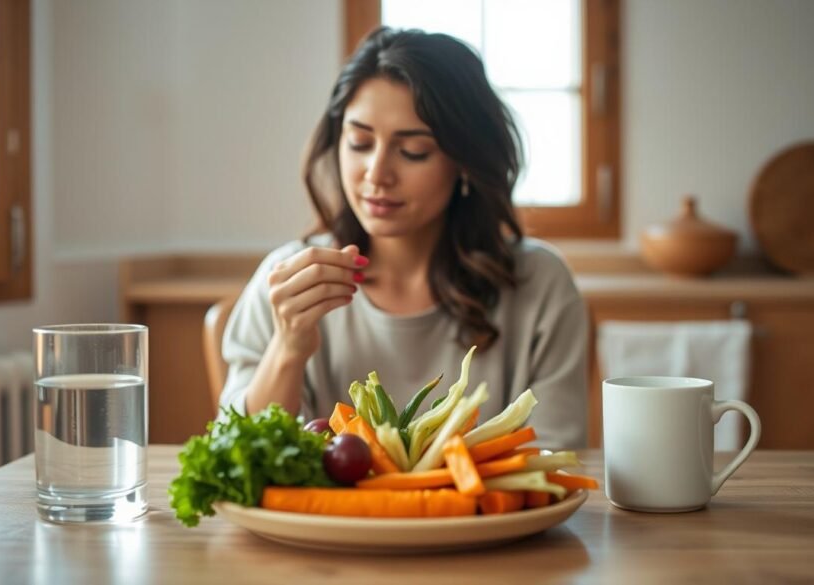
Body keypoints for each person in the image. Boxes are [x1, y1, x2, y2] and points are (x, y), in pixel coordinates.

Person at [219, 27, 587, 449]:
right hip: (328, 519)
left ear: (465, 162)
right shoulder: (286, 281)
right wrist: (288, 347)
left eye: (413, 151)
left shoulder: (541, 286)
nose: (377, 174)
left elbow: (555, 458)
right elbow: (241, 456)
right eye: (359, 142)